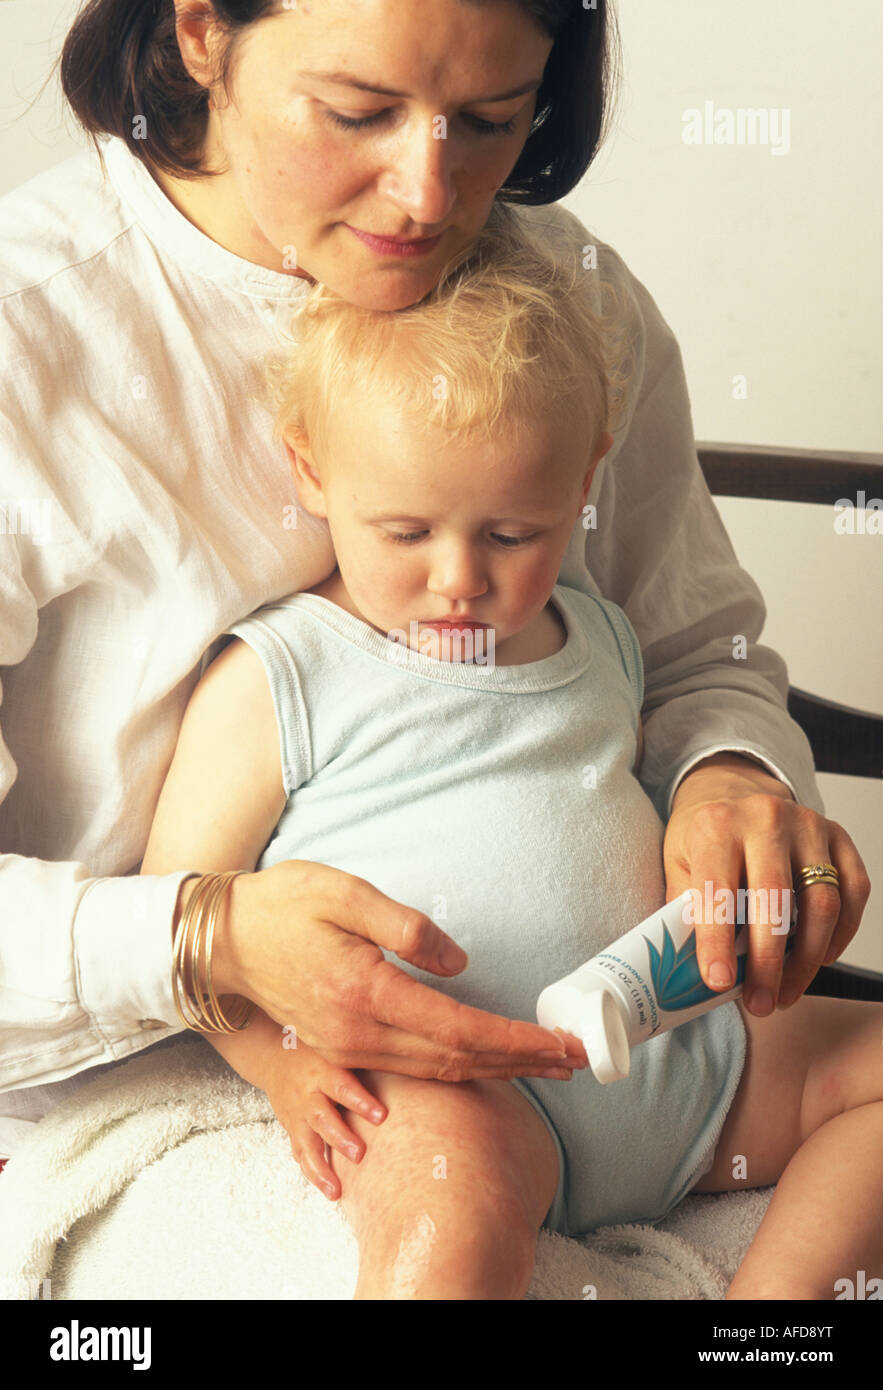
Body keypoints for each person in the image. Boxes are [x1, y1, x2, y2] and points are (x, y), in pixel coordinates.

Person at [0, 0, 870, 1160]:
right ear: (203, 31)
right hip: (176, 1089)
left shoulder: (576, 297)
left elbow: (696, 652)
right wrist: (208, 937)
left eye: (489, 120)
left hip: (627, 1065)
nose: (425, 194)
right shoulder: (33, 337)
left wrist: (727, 775)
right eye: (357, 111)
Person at [140, 206, 883, 1301]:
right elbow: (182, 921)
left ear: (582, 485)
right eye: (405, 532)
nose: (459, 578)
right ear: (312, 471)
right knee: (444, 1228)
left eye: (510, 534)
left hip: (684, 1053)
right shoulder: (283, 672)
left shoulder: (602, 633)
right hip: (465, 1085)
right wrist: (287, 1065)